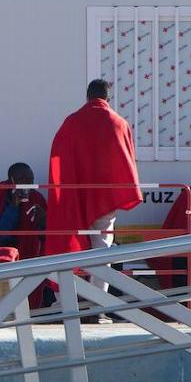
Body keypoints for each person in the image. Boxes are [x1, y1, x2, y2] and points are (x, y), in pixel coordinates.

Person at [44, 79, 143, 295]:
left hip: (74, 197)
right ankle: (98, 304)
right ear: (109, 98)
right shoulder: (119, 123)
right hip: (105, 199)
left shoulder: (71, 122)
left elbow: (58, 157)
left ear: (87, 96)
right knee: (102, 250)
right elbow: (127, 161)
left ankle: (65, 302)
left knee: (67, 246)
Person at [0, 162, 50, 307]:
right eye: (23, 180)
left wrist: (44, 220)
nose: (27, 184)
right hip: (3, 252)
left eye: (30, 180)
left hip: (30, 253)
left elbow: (46, 236)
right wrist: (13, 206)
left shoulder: (37, 198)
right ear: (12, 180)